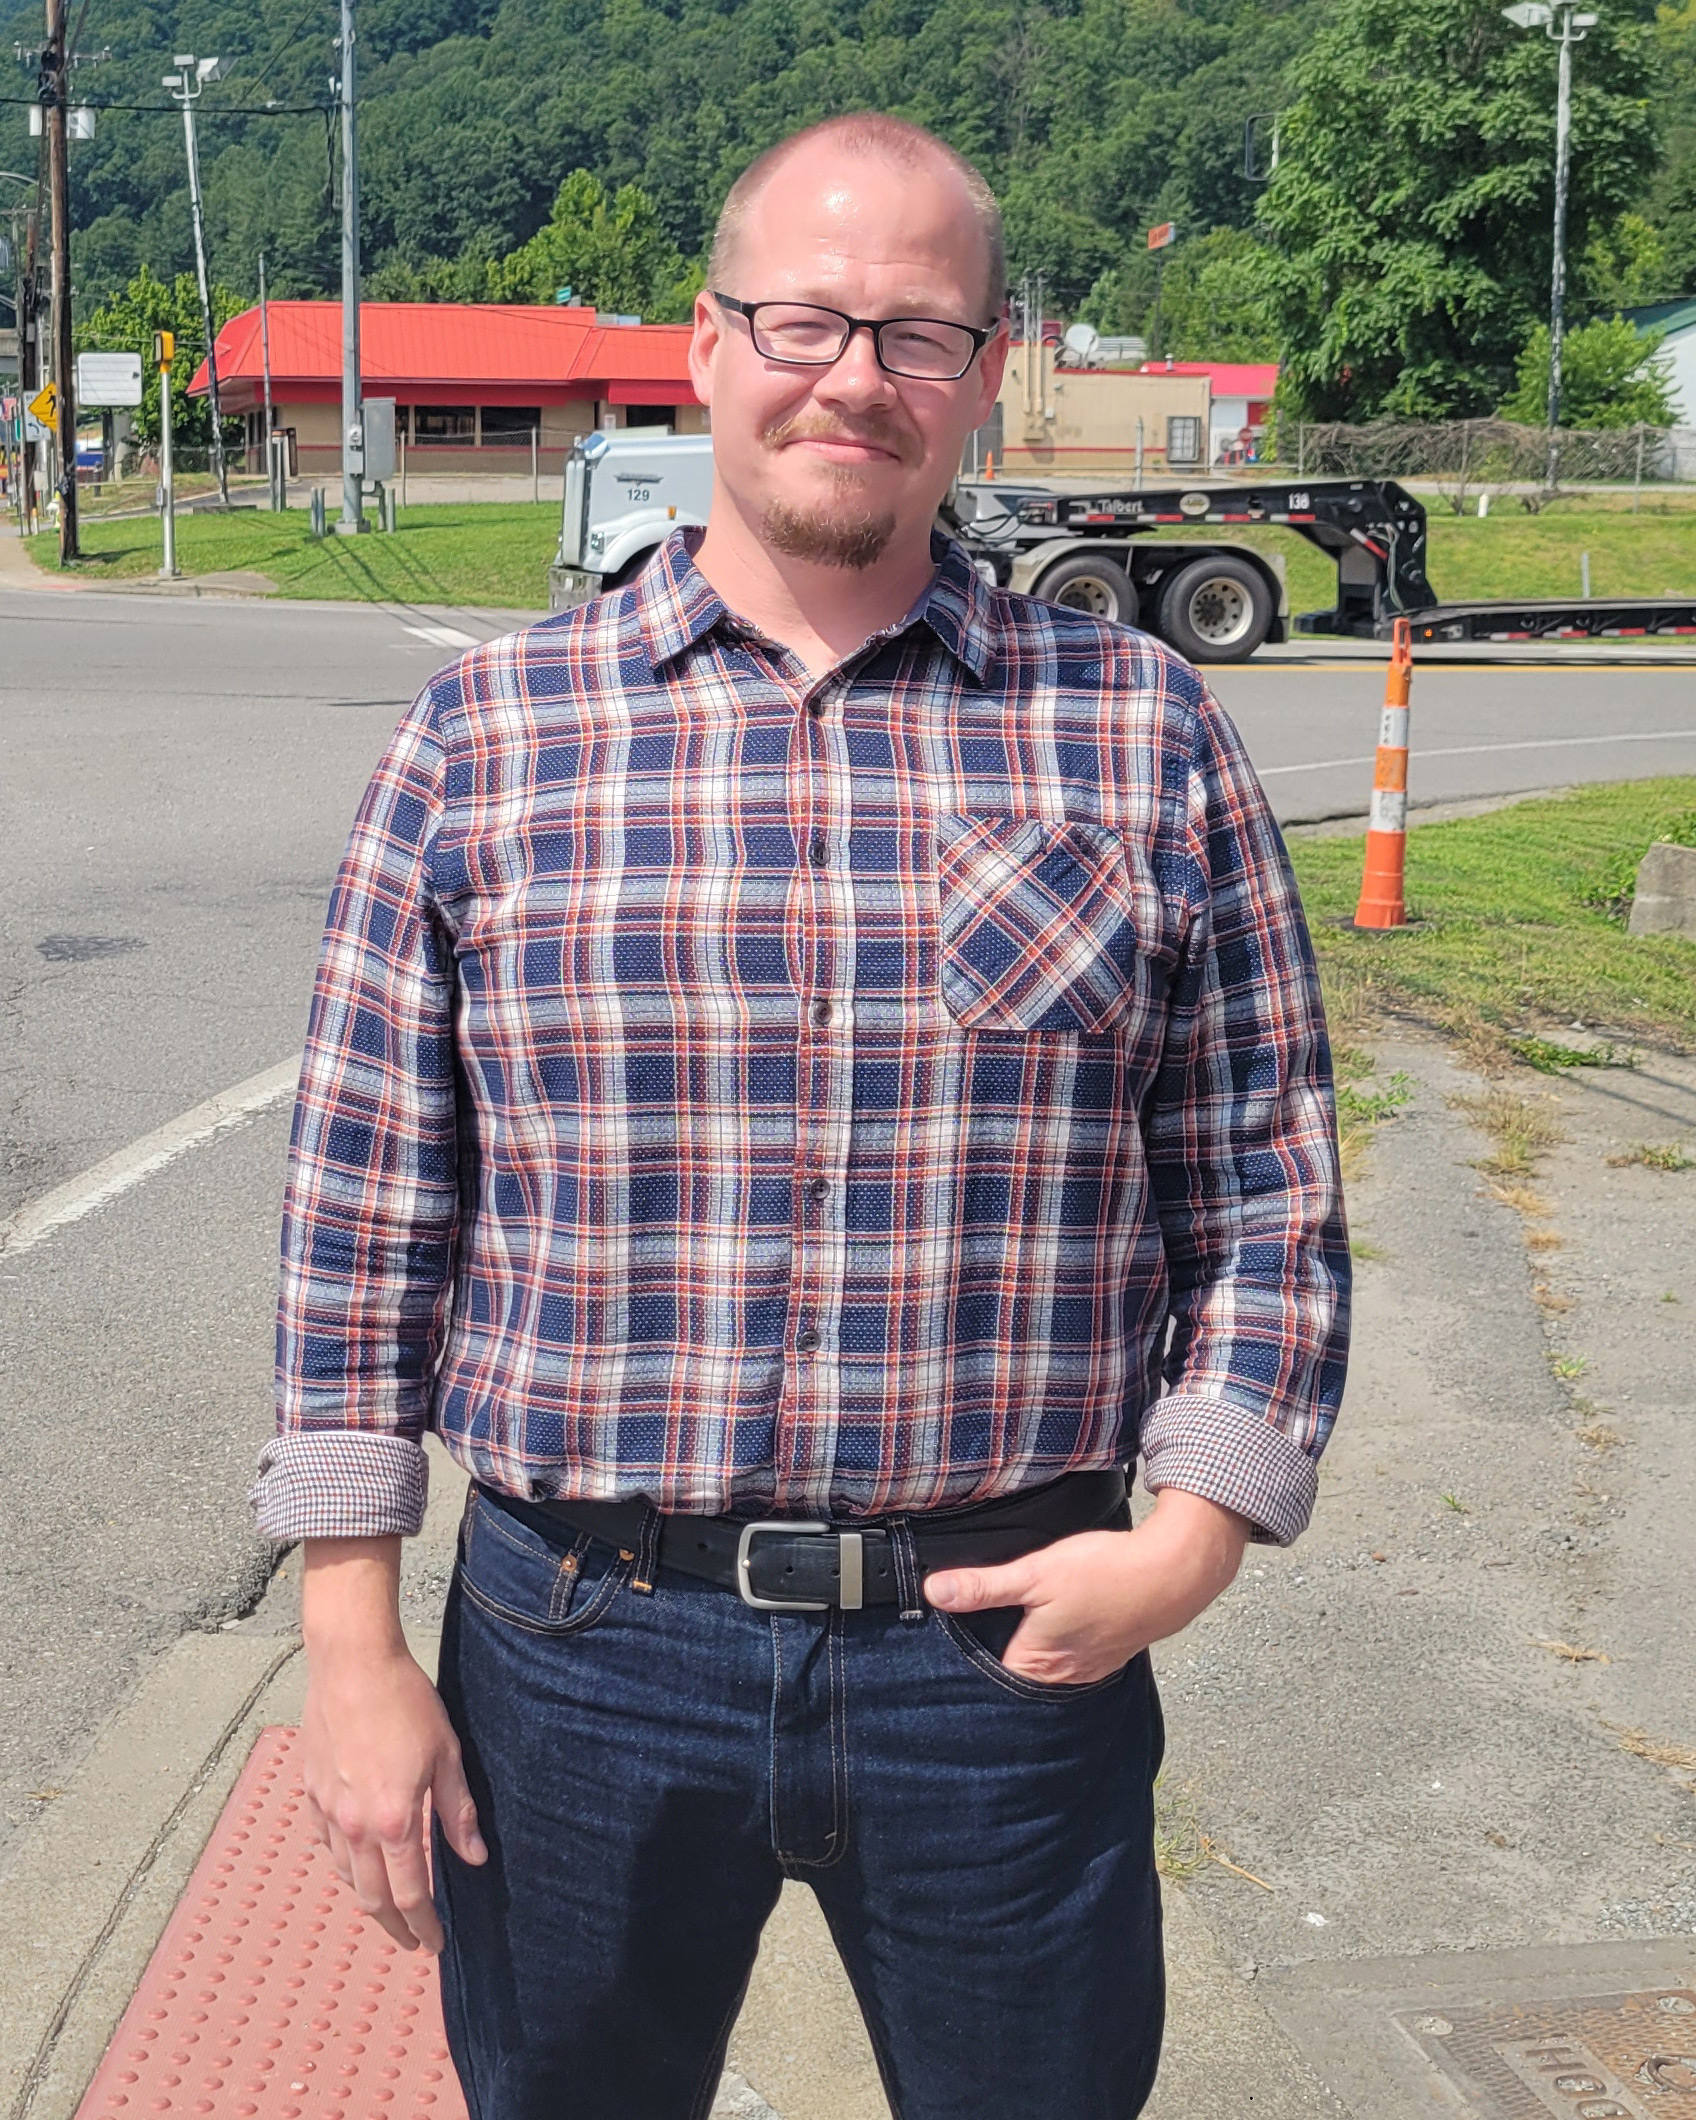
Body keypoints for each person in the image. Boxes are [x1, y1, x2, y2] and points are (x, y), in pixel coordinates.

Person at [255, 112, 1349, 2120]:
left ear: (986, 370)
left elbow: (1263, 1181)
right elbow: (363, 1214)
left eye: (916, 330)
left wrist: (1187, 1539)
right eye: (802, 318)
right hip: (577, 1648)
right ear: (702, 343)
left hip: (1005, 1649)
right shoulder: (487, 742)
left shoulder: (1133, 727)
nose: (854, 373)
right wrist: (350, 1645)